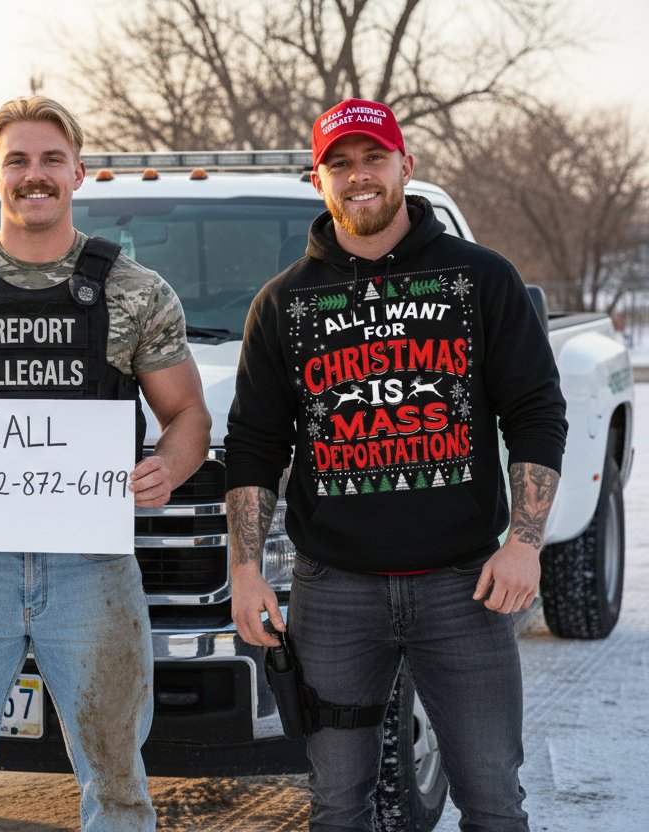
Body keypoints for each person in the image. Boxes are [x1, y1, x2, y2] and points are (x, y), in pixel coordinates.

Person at [0, 95, 211, 831]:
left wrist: (169, 466)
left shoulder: (135, 292)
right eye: (17, 160)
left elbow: (187, 416)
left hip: (93, 567)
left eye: (52, 158)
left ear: (78, 172)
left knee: (118, 782)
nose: (35, 174)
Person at [223, 97, 568, 830]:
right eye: (340, 164)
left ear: (405, 166)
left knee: (493, 797)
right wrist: (246, 571)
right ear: (319, 180)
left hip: (464, 587)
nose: (359, 176)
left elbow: (536, 412)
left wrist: (524, 543)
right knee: (336, 802)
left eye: (373, 158)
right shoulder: (284, 304)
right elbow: (254, 444)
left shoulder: (480, 279)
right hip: (335, 593)